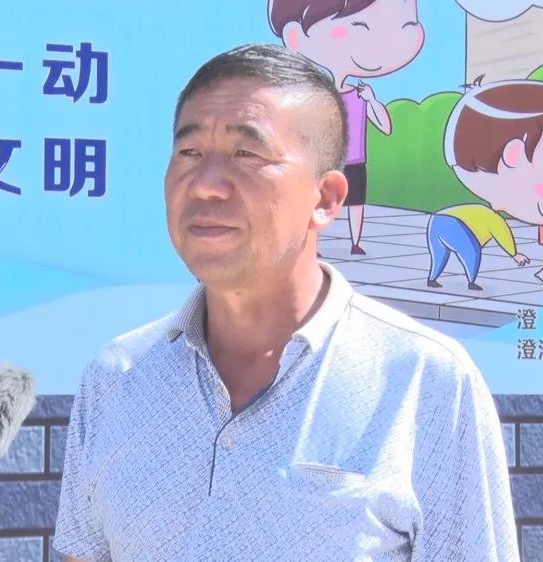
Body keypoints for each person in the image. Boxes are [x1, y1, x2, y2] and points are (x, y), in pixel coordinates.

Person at [53, 44, 518, 561]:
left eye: (247, 154)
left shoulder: (426, 382)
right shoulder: (117, 378)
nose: (205, 186)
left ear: (327, 199)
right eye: (189, 153)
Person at [270, 0, 426, 255]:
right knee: (315, 201)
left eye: (407, 25)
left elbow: (385, 126)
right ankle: (314, 244)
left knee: (356, 203)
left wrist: (372, 101)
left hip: (355, 158)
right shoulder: (314, 95)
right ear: (296, 37)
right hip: (321, 160)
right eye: (359, 26)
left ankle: (356, 243)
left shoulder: (360, 95)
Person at [427, 78, 543, 290]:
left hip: (439, 221)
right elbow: (502, 234)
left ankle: (434, 278)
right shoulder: (493, 219)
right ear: (514, 156)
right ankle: (471, 282)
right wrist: (515, 254)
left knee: (444, 254)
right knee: (471, 253)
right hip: (457, 226)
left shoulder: (486, 211)